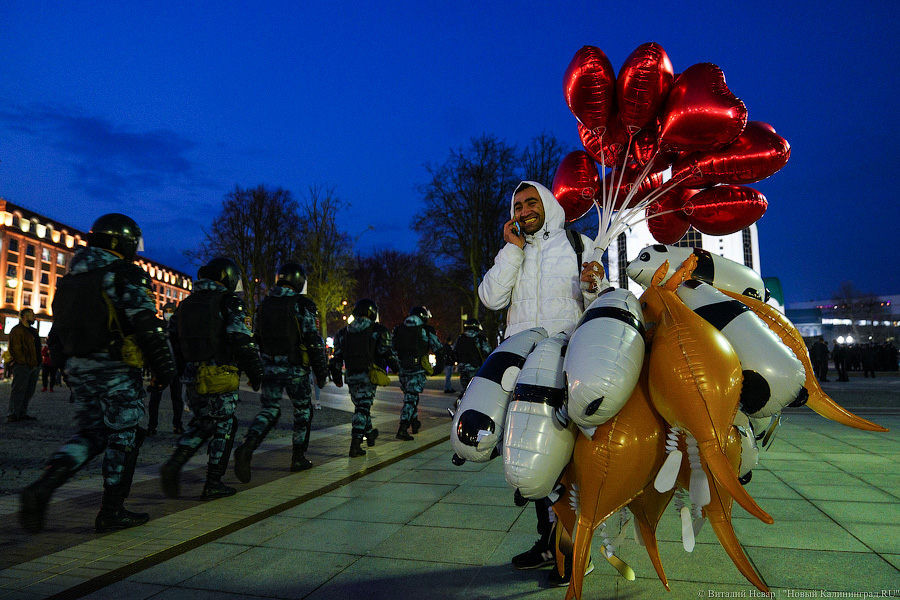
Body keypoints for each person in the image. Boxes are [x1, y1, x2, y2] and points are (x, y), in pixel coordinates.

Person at [478, 181, 605, 587]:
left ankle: (573, 548)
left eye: (531, 202)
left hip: (565, 366)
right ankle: (548, 542)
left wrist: (595, 286)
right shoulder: (514, 252)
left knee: (567, 461)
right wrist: (512, 249)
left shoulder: (578, 244)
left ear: (547, 204)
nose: (524, 210)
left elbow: (599, 302)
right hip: (524, 368)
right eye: (517, 205)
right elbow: (491, 298)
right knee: (532, 454)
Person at [19, 213, 176, 534]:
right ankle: (112, 510)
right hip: (114, 367)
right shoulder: (123, 273)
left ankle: (44, 485)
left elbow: (56, 331)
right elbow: (146, 324)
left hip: (79, 367)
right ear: (123, 242)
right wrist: (164, 368)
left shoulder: (71, 277)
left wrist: (65, 367)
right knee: (124, 435)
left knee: (91, 434)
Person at [160, 257, 264, 501]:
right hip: (219, 374)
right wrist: (256, 373)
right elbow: (242, 340)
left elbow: (173, 342)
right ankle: (213, 482)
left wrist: (179, 371)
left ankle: (175, 462)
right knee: (225, 424)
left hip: (192, 377)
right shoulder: (228, 302)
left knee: (203, 422)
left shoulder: (185, 304)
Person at [233, 263, 327, 481]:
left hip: (269, 367)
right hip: (295, 368)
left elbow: (256, 338)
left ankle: (247, 447)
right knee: (303, 411)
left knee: (269, 410)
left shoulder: (264, 305)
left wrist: (255, 370)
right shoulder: (302, 304)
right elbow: (313, 341)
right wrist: (321, 372)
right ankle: (298, 457)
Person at [329, 299, 400, 457]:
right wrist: (397, 369)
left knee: (361, 406)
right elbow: (387, 353)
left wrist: (336, 377)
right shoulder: (378, 330)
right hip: (368, 375)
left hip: (351, 376)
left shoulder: (343, 332)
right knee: (362, 408)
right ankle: (355, 444)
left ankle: (370, 434)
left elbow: (336, 358)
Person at [392, 306, 442, 440]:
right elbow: (438, 348)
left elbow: (392, 348)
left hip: (403, 369)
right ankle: (402, 428)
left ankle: (414, 423)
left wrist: (395, 366)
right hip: (417, 369)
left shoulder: (398, 329)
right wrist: (438, 367)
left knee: (410, 396)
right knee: (411, 398)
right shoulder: (425, 330)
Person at [146, 302, 185, 436]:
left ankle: (177, 424)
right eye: (166, 311)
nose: (168, 313)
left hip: (175, 367)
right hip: (160, 367)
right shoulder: (160, 325)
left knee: (177, 398)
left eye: (170, 311)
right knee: (155, 398)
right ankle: (152, 425)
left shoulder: (178, 327)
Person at [7, 308, 41, 422]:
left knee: (29, 390)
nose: (34, 317)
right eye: (32, 315)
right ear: (25, 317)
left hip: (34, 365)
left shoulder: (33, 331)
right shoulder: (17, 330)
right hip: (23, 365)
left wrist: (36, 363)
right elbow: (15, 349)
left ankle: (21, 412)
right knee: (18, 390)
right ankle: (13, 414)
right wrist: (24, 362)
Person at [453, 318, 491, 398]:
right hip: (475, 367)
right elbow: (487, 351)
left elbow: (454, 352)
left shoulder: (460, 338)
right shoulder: (480, 339)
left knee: (465, 388)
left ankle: (462, 401)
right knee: (474, 389)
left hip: (462, 367)